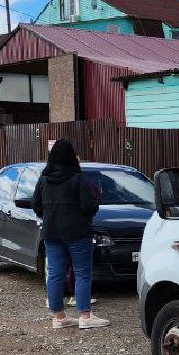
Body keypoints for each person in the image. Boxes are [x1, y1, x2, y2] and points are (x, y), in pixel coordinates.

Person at [32, 140, 109, 330]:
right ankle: (85, 315)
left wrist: (49, 216)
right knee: (83, 273)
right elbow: (89, 205)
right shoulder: (79, 179)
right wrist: (85, 218)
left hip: (51, 232)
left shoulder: (44, 180)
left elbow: (36, 206)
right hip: (78, 232)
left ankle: (58, 317)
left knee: (55, 274)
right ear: (71, 157)